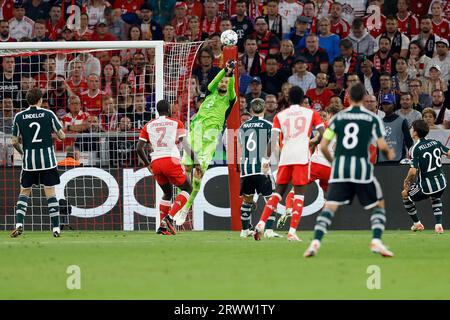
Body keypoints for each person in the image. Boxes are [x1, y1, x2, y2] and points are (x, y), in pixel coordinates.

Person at [304, 83, 396, 258]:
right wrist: (389, 153)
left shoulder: (337, 119)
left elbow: (323, 146)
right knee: (379, 204)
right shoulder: (373, 119)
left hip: (340, 170)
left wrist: (334, 162)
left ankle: (315, 243)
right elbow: (383, 146)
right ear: (363, 98)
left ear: (348, 98)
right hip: (362, 169)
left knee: (330, 206)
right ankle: (376, 241)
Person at [253, 86, 325, 242]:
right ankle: (292, 232)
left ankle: (260, 223)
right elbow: (323, 132)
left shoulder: (280, 115)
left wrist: (265, 160)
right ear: (302, 99)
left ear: (288, 99)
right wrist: (315, 140)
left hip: (285, 157)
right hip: (301, 156)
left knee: (278, 192)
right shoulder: (311, 113)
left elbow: (273, 140)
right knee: (299, 195)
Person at [175, 60, 237, 226]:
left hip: (209, 139)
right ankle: (181, 201)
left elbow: (230, 86)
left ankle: (186, 208)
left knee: (198, 173)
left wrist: (229, 73)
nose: (223, 83)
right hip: (195, 133)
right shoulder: (210, 94)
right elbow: (214, 82)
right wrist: (224, 70)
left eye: (225, 82)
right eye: (222, 81)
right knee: (186, 168)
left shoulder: (230, 99)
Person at [137, 99, 200, 236]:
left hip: (156, 163)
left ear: (157, 111)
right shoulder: (177, 123)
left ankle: (162, 228)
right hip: (171, 160)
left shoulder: (148, 125)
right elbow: (185, 144)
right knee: (188, 188)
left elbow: (139, 148)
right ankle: (170, 218)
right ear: (169, 110)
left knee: (168, 193)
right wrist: (196, 162)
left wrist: (148, 164)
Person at [10, 88, 66, 238]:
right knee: (50, 194)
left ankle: (19, 224)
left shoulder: (19, 116)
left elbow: (14, 141)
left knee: (24, 192)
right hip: (47, 161)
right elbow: (61, 135)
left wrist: (23, 153)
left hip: (29, 162)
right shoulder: (48, 114)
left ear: (27, 100)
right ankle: (56, 229)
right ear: (40, 100)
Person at [238, 98, 279, 238]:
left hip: (246, 167)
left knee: (247, 200)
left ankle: (244, 231)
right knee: (271, 198)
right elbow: (274, 145)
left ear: (250, 109)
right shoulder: (269, 125)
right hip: (262, 167)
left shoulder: (243, 126)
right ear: (264, 109)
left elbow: (241, 147)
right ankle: (268, 230)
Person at [402, 120, 450, 234]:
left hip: (426, 186)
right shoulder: (435, 142)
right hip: (442, 183)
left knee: (404, 194)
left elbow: (413, 171)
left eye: (412, 128)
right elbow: (449, 154)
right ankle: (438, 225)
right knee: (435, 196)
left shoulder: (415, 148)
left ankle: (417, 224)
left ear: (415, 133)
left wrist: (407, 181)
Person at [378, 93, 413, 163]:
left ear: (393, 105)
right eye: (384, 104)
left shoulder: (402, 121)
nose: (385, 106)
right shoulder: (379, 122)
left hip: (398, 159)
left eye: (388, 103)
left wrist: (412, 157)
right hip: (382, 160)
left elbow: (408, 141)